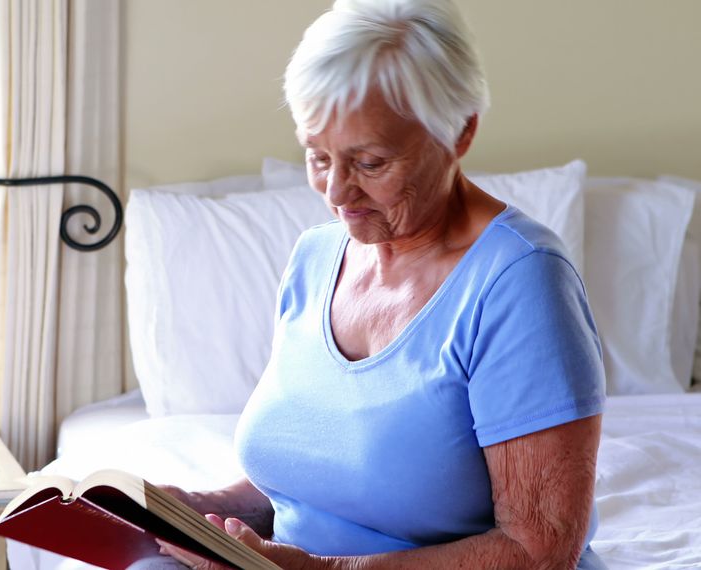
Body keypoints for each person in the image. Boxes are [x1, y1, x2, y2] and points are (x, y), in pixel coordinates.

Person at [157, 0, 607, 568]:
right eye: (318, 157)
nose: (337, 192)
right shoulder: (315, 257)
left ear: (460, 132)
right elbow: (313, 481)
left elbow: (539, 551)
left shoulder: (521, 282)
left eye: (370, 163)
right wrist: (197, 513)